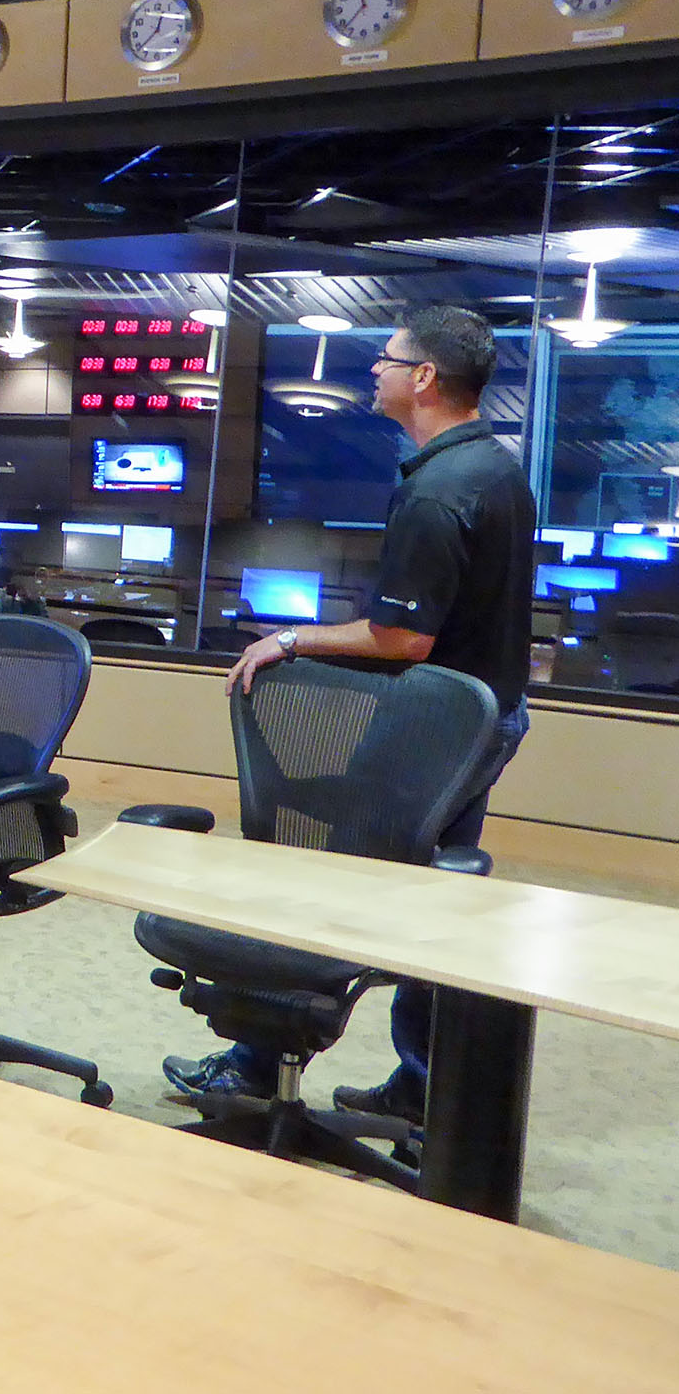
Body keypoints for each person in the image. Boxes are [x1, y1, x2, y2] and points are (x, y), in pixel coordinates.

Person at [171, 305, 534, 1123]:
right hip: (485, 715)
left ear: (426, 378)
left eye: (388, 357)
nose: (375, 368)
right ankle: (419, 1088)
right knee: (428, 903)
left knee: (324, 872)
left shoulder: (440, 491)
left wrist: (294, 639)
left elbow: (401, 636)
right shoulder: (495, 468)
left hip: (437, 730)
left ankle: (256, 1063)